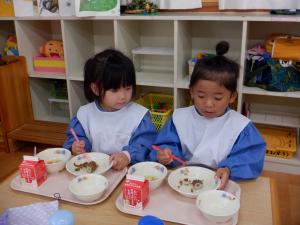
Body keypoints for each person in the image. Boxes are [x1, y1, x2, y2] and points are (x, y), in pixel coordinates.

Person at [149, 41, 266, 189]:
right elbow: (166, 144)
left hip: (220, 182)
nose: (208, 104)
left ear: (232, 97)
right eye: (201, 96)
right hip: (183, 179)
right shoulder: (179, 118)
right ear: (191, 92)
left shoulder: (240, 126)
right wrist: (165, 155)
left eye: (217, 98)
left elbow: (250, 157)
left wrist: (229, 169)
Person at [64, 49, 157, 170]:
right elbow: (75, 137)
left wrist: (127, 155)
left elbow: (145, 142)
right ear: (96, 89)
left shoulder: (139, 115)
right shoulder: (85, 114)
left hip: (130, 171)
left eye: (128, 88)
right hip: (94, 171)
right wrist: (76, 146)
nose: (123, 96)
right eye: (114, 90)